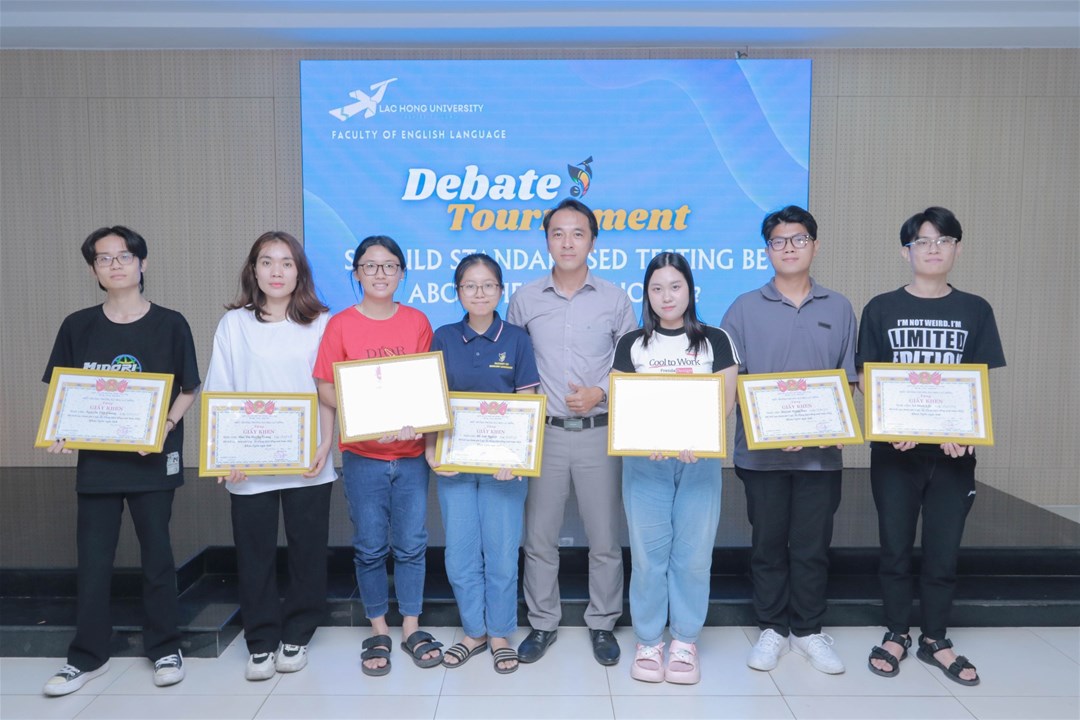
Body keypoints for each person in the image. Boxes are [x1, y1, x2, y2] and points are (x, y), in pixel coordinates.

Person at [41, 226, 200, 696]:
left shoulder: (171, 323)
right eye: (104, 258)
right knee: (93, 560)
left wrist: (164, 427)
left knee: (157, 557)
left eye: (124, 256)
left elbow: (189, 388)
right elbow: (64, 391)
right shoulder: (77, 325)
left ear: (142, 263)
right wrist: (60, 429)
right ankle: (87, 656)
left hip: (153, 460)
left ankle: (165, 647)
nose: (115, 264)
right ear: (93, 269)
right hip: (98, 465)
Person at [858, 207, 1004, 687]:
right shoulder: (880, 308)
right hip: (894, 453)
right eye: (922, 241)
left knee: (943, 551)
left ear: (957, 248)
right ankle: (897, 632)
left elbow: (978, 382)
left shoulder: (976, 310)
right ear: (907, 252)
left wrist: (964, 430)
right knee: (895, 548)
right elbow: (866, 377)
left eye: (943, 240)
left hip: (953, 456)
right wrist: (889, 423)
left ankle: (936, 639)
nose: (933, 248)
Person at [721, 205, 855, 676]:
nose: (789, 248)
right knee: (768, 544)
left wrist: (827, 427)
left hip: (822, 456)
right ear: (767, 250)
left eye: (799, 239)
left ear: (815, 245)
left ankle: (808, 630)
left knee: (813, 545)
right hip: (761, 456)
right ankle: (773, 628)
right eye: (778, 241)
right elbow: (730, 382)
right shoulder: (742, 308)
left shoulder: (839, 307)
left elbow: (847, 379)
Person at [507, 198, 637, 667]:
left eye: (577, 233)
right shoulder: (524, 299)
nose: (567, 242)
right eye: (558, 233)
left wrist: (600, 393)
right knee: (539, 538)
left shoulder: (615, 299)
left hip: (598, 433)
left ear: (592, 241)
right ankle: (543, 622)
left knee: (604, 539)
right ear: (546, 240)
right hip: (543, 435)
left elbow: (633, 366)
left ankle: (603, 622)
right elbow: (513, 365)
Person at [203, 231, 337, 681]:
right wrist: (223, 455)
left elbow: (327, 390)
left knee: (307, 551)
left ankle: (297, 633)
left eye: (286, 262)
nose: (276, 271)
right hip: (248, 461)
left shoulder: (321, 322)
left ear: (300, 272)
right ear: (253, 270)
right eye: (267, 262)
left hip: (308, 457)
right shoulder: (234, 324)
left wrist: (326, 443)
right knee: (254, 552)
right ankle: (260, 639)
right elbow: (219, 389)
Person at [313, 235, 443, 676]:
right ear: (357, 273)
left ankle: (411, 627)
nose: (380, 274)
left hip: (409, 455)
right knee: (369, 546)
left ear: (402, 273)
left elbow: (425, 385)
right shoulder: (340, 325)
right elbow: (325, 386)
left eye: (389, 266)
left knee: (411, 544)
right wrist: (366, 416)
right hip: (363, 456)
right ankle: (378, 628)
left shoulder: (417, 321)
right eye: (370, 266)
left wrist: (413, 420)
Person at [612, 252, 738, 684]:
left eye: (675, 286)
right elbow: (623, 404)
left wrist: (694, 437)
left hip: (698, 462)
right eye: (657, 288)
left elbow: (724, 403)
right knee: (648, 557)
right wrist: (646, 438)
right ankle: (649, 640)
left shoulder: (715, 339)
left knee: (694, 554)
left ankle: (685, 640)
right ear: (646, 294)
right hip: (645, 463)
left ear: (690, 290)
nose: (666, 296)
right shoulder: (631, 343)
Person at [426, 253, 540, 674]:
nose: (479, 293)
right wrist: (431, 453)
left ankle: (500, 634)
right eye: (470, 286)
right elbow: (431, 401)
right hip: (454, 466)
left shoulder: (517, 339)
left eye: (488, 285)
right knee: (459, 557)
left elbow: (527, 402)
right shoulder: (443, 337)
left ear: (500, 291)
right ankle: (473, 632)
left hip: (504, 470)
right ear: (457, 292)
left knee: (502, 555)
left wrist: (520, 459)